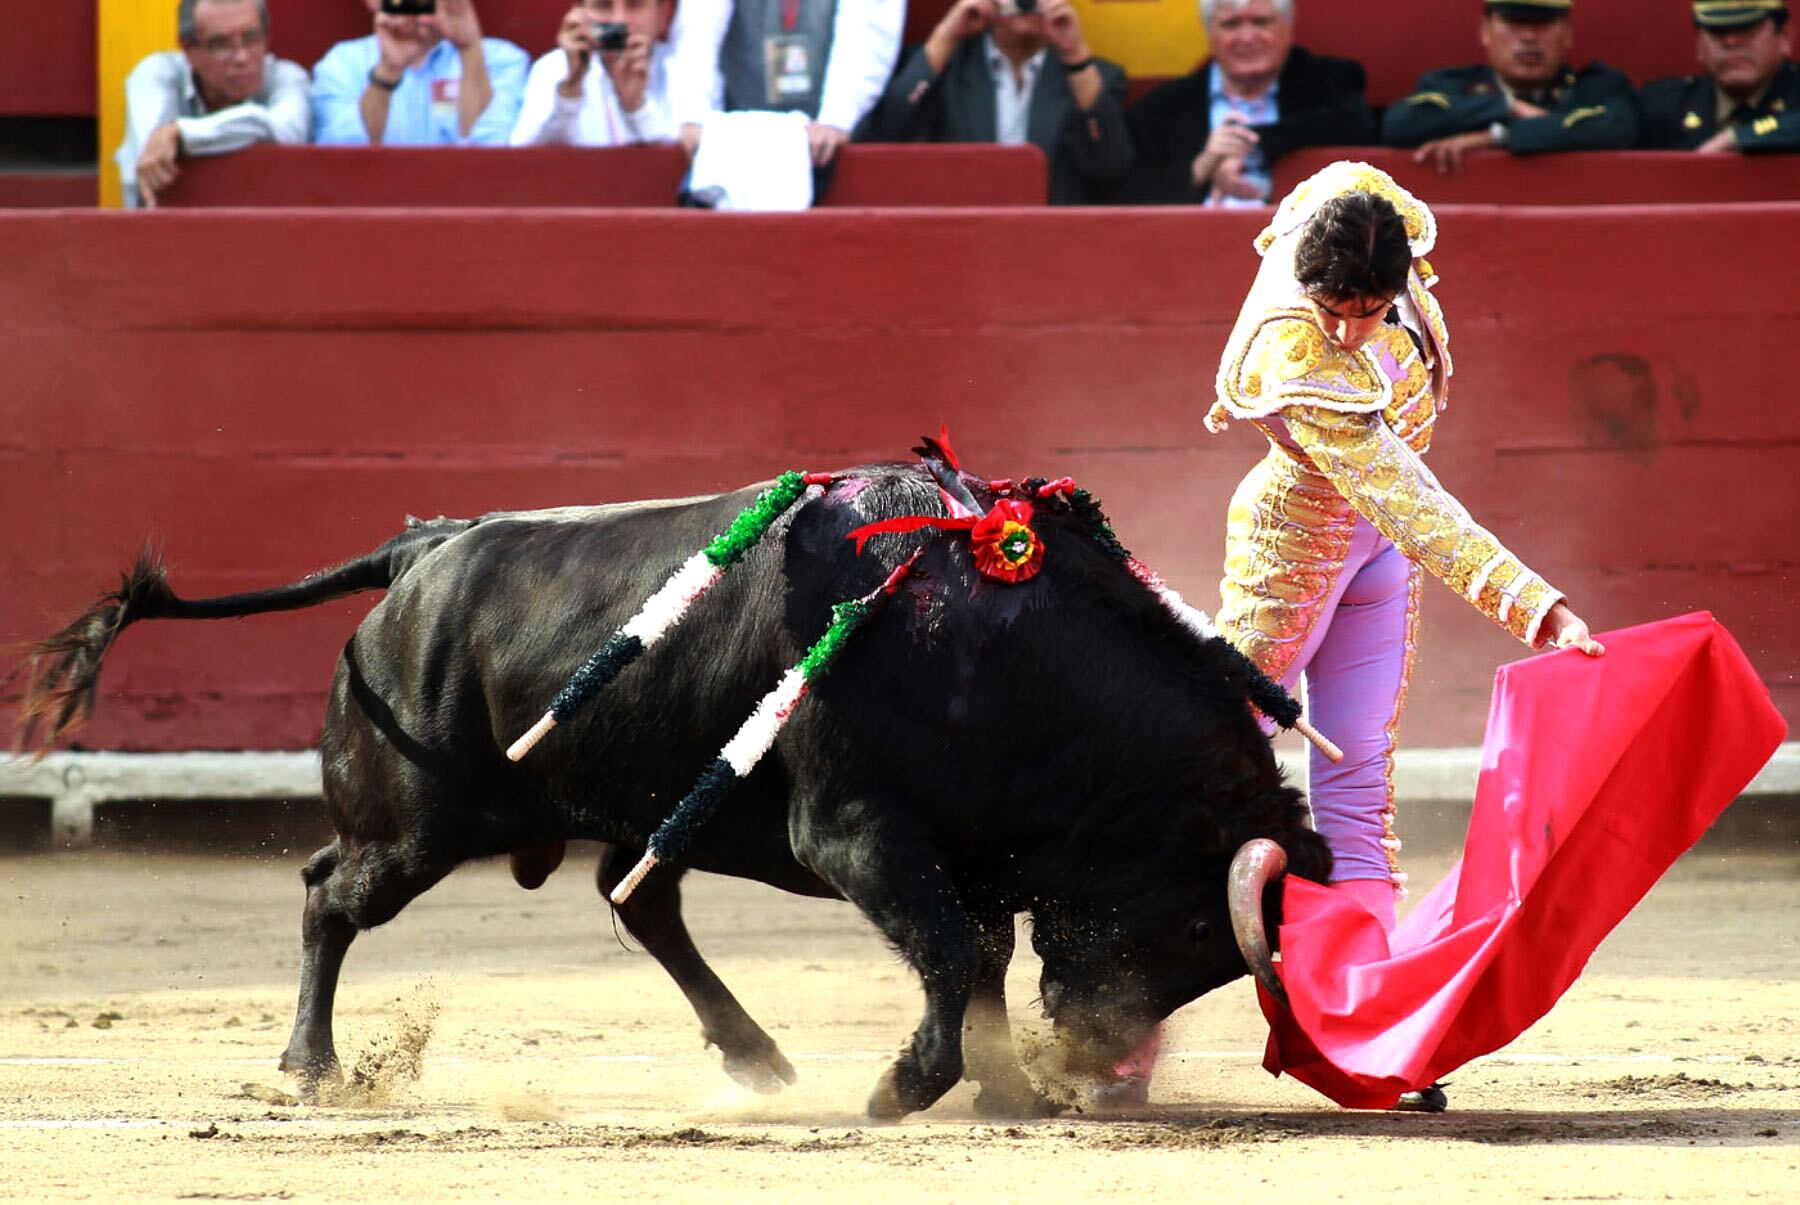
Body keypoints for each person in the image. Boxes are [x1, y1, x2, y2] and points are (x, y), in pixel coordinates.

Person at [1103, 161, 1606, 1112]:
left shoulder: (1370, 219)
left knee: (1361, 786)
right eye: (1330, 308)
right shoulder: (1291, 346)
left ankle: (1374, 1023)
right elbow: (1414, 500)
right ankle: (1125, 1013)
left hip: (1377, 558)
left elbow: (1337, 181)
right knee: (1215, 763)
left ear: (1401, 279)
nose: (1344, 331)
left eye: (1365, 311)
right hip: (1293, 542)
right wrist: (1538, 606)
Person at [853, 0, 1131, 205]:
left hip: (1055, 250)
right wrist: (948, 33)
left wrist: (1076, 56)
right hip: (962, 246)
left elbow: (1111, 167)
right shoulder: (945, 68)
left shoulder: (1093, 77)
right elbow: (889, 129)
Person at [1114, 0, 1373, 206]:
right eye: (1231, 24)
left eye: (1261, 22)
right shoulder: (1163, 107)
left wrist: (1251, 145)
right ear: (1209, 33)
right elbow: (1125, 193)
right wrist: (1200, 168)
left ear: (1287, 27)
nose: (1246, 37)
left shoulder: (1329, 80)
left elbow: (1358, 125)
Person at [1382, 0, 1638, 174]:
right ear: (1485, 31)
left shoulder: (1597, 87)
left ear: (1568, 33)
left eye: (1543, 24)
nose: (1528, 37)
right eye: (1514, 23)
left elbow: (1618, 128)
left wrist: (1495, 137)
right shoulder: (1450, 85)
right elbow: (1400, 123)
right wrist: (1508, 107)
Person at [116, 0, 309, 209]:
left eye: (252, 38)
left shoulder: (286, 78)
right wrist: (173, 137)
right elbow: (154, 154)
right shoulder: (158, 73)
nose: (242, 57)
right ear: (188, 50)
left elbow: (286, 130)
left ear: (267, 37)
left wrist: (181, 133)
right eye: (221, 44)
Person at [663, 0, 903, 168]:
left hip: (837, 148)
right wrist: (693, 114)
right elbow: (698, 27)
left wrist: (837, 118)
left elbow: (869, 31)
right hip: (738, 142)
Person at [312, 0, 528, 146]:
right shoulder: (342, 63)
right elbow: (339, 160)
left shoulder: (501, 59)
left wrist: (470, 50)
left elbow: (494, 154)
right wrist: (388, 70)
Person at [511, 0, 676, 146]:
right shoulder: (554, 67)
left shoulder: (679, 68)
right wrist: (570, 92)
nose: (619, 20)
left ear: (661, 15)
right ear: (578, 14)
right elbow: (525, 161)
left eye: (635, 5)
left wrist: (636, 107)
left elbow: (686, 165)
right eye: (603, 6)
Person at [1640, 1, 1800, 151]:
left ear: (1785, 36)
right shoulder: (1664, 105)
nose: (1731, 41)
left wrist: (1738, 137)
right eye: (1718, 32)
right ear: (1699, 45)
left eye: (1747, 30)